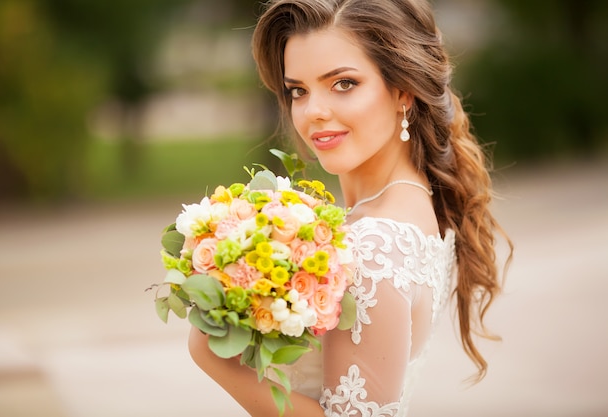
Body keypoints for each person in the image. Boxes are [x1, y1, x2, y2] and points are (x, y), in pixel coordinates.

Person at [188, 0, 513, 415]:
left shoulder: (371, 244)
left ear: (403, 91)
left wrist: (212, 353)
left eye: (343, 84)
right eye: (298, 90)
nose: (314, 112)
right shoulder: (409, 205)